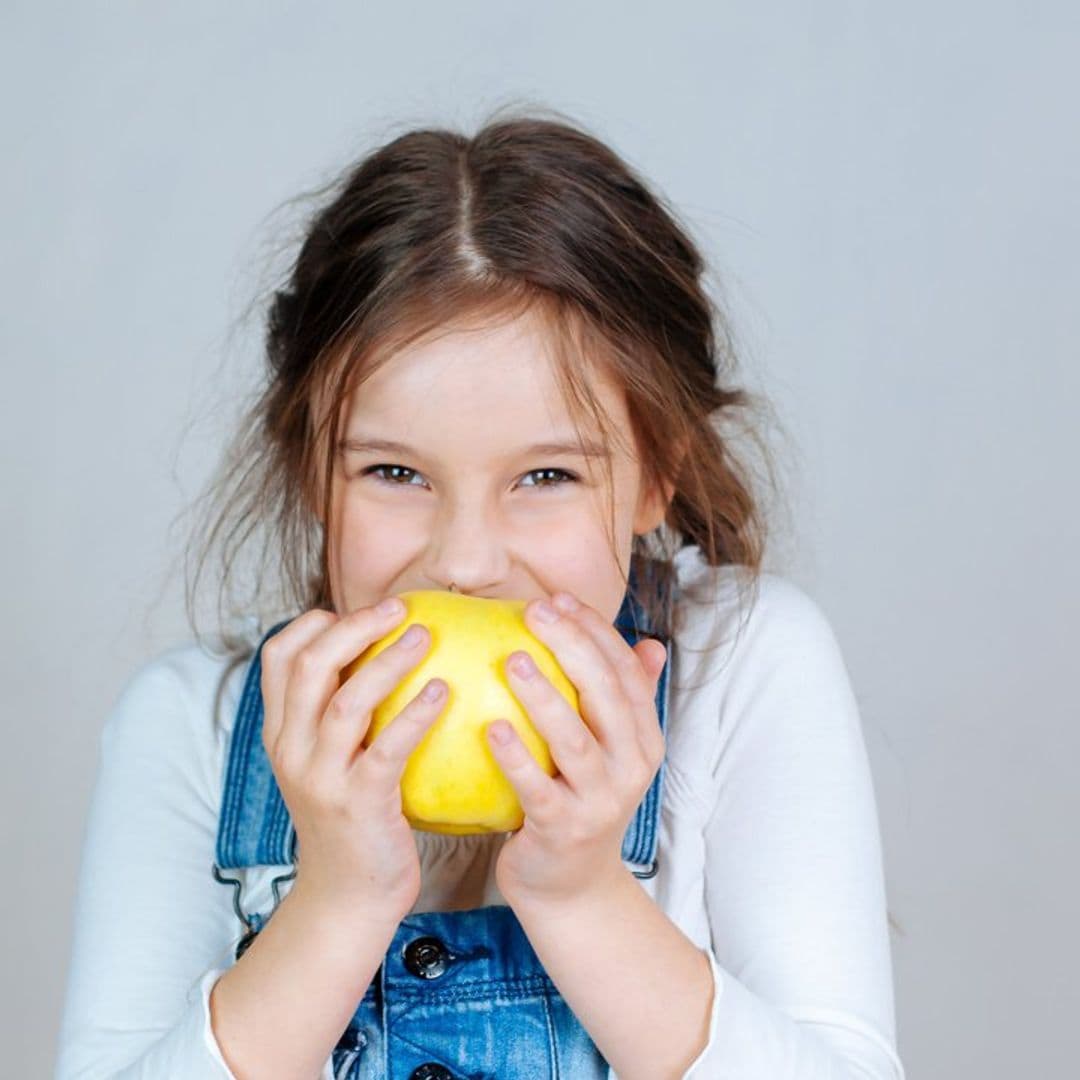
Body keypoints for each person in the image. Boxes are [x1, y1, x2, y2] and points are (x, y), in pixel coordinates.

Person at [55, 108, 906, 1079]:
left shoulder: (742, 671)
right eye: (394, 473)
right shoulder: (194, 730)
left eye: (546, 478)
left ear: (657, 470)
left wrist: (583, 896)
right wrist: (335, 903)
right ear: (309, 472)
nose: (464, 563)